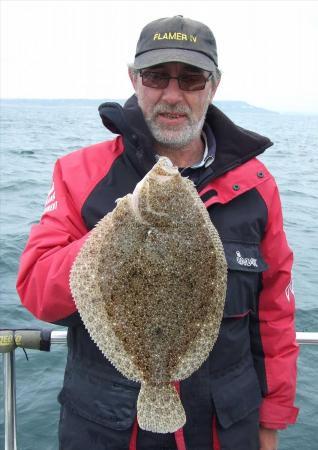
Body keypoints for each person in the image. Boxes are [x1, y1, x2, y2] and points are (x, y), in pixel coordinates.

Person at [16, 15, 299, 450]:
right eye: (155, 76)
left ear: (213, 85)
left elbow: (274, 315)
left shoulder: (257, 186)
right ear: (133, 79)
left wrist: (272, 419)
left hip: (226, 428)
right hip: (107, 428)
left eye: (190, 78)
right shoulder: (78, 173)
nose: (172, 95)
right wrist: (115, 238)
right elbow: (37, 291)